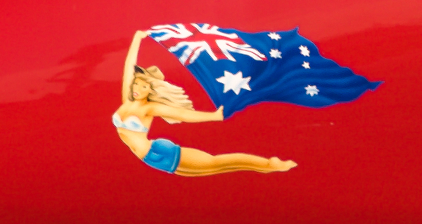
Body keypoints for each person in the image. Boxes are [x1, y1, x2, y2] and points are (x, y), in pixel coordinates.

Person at [112, 30, 296, 175]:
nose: (137, 88)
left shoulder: (149, 107)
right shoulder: (127, 100)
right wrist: (137, 39)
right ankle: (267, 166)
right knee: (217, 167)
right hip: (151, 158)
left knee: (215, 163)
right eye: (136, 83)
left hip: (159, 153)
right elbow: (129, 66)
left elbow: (183, 115)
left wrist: (214, 116)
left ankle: (270, 163)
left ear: (151, 90)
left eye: (143, 86)